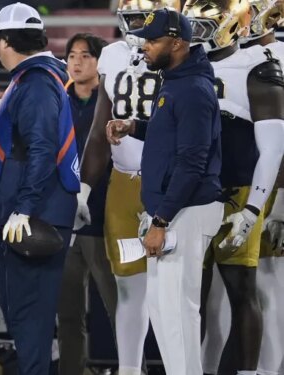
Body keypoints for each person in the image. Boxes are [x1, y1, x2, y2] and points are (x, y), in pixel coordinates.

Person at [106, 8, 224, 375]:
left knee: (177, 310)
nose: (146, 47)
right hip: (174, 210)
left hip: (185, 211)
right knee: (162, 309)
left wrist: (161, 219)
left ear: (176, 43)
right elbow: (169, 133)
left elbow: (192, 163)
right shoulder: (176, 80)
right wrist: (133, 126)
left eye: (154, 40)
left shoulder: (192, 89)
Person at [0, 3, 80, 373]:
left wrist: (25, 207)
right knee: (26, 320)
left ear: (3, 41)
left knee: (30, 321)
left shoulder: (35, 82)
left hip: (33, 217)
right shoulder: (36, 78)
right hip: (29, 213)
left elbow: (43, 148)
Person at [182, 1, 284, 375]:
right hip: (192, 193)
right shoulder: (183, 65)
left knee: (245, 290)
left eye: (203, 26)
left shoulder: (258, 63)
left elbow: (274, 148)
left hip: (238, 191)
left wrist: (258, 207)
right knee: (193, 295)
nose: (193, 34)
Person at [78, 3, 177, 374]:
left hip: (168, 183)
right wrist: (84, 189)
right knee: (129, 290)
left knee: (172, 291)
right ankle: (130, 370)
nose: (137, 24)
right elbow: (100, 126)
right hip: (122, 183)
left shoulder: (180, 49)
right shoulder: (113, 55)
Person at [57, 32, 118, 375]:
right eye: (71, 56)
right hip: (63, 223)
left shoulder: (110, 102)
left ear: (99, 62)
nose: (76, 63)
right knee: (68, 313)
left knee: (118, 308)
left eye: (85, 56)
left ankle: (131, 368)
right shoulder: (56, 101)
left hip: (103, 219)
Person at [240, 2, 284, 373]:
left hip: (274, 185)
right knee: (234, 295)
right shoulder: (227, 57)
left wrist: (281, 201)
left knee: (270, 290)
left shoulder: (276, 57)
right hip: (241, 182)